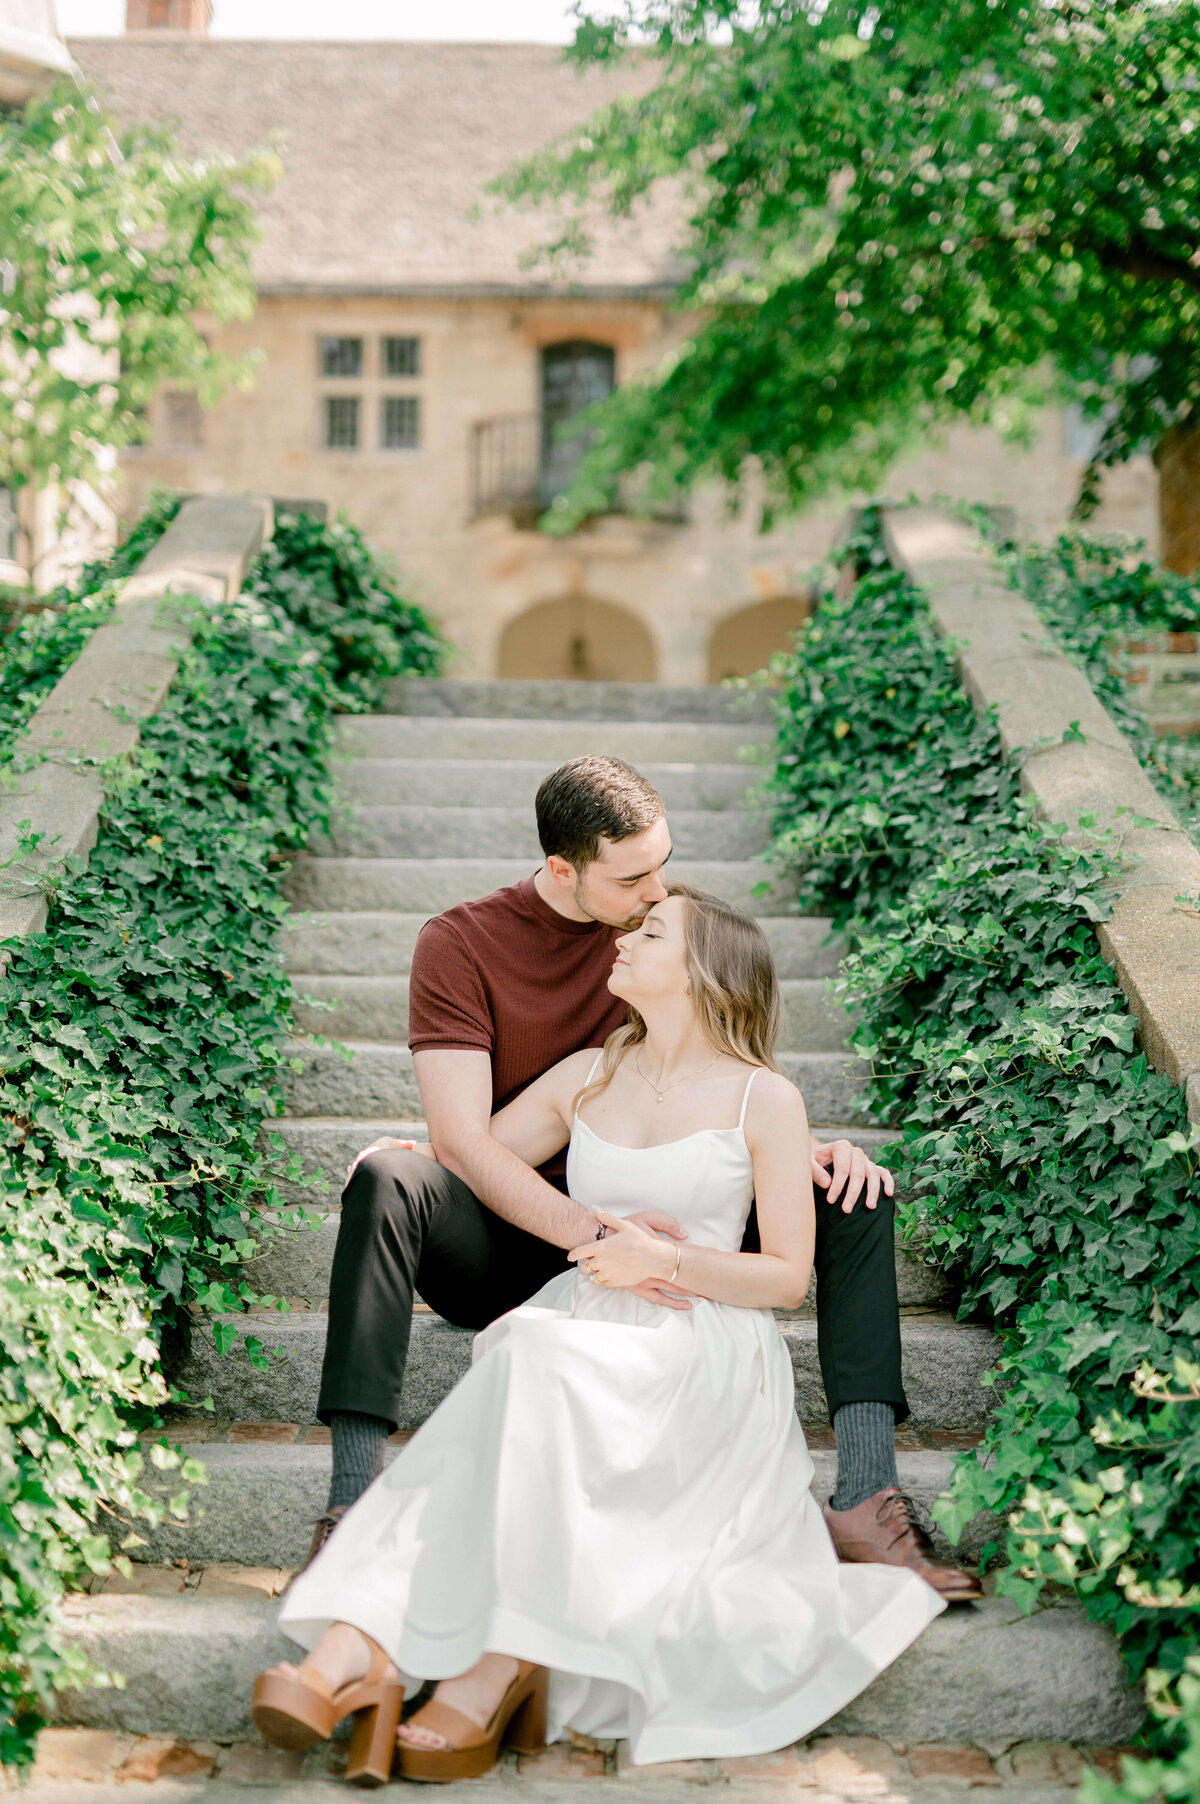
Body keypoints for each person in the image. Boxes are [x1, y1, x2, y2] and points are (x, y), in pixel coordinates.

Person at [253, 887, 946, 1785]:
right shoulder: (590, 1071)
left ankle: (431, 1654)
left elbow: (783, 1277)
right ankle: (366, 1647)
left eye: (651, 931)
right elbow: (478, 1158)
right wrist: (405, 1156)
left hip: (699, 1338)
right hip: (578, 1311)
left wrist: (663, 1257)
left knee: (536, 1358)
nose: (625, 937)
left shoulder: (765, 1099)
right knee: (529, 1349)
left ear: (700, 976)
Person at [312, 755, 981, 1604]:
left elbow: (731, 1079)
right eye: (634, 878)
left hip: (664, 1221)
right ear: (563, 870)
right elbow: (466, 1143)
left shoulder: (660, 925)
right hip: (519, 1243)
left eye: (664, 864)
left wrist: (804, 1151)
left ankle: (866, 1491)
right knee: (389, 1182)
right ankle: (351, 1504)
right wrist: (597, 1237)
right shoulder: (460, 944)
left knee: (853, 1193)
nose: (657, 893)